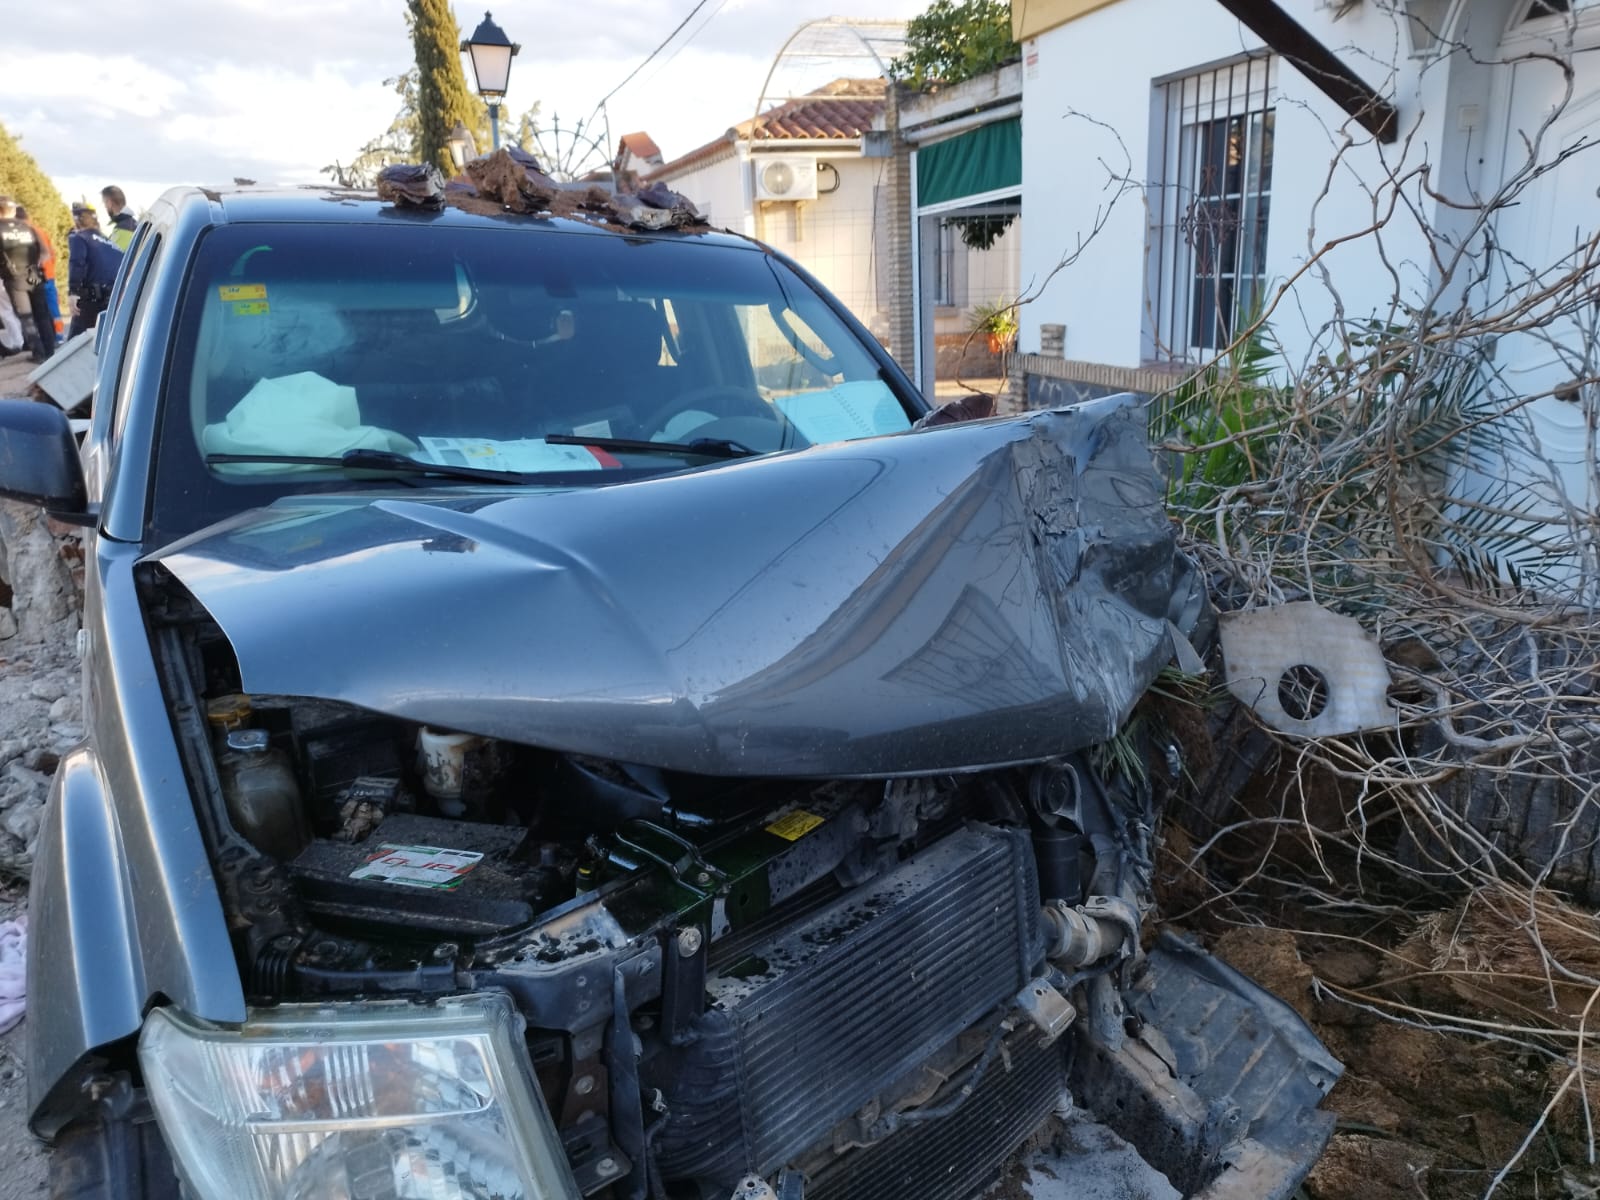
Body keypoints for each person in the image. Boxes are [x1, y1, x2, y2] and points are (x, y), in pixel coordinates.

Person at [0, 195, 54, 361]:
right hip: (34, 275)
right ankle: (50, 351)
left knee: (26, 316)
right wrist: (33, 264)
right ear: (14, 210)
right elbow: (45, 253)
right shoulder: (27, 228)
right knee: (42, 314)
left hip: (14, 278)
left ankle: (39, 354)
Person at [66, 203, 124, 339]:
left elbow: (77, 263)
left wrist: (73, 291)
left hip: (92, 298)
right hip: (113, 296)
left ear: (77, 221)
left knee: (76, 342)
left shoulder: (79, 238)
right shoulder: (110, 243)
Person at [15, 205, 63, 346]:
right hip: (47, 273)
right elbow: (51, 254)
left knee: (44, 309)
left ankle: (55, 337)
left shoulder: (27, 232)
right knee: (50, 307)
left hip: (38, 274)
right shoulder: (38, 230)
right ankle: (56, 336)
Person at [101, 186, 137, 251]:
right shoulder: (133, 223)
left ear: (110, 203)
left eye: (104, 203)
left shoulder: (123, 229)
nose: (105, 207)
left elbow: (113, 257)